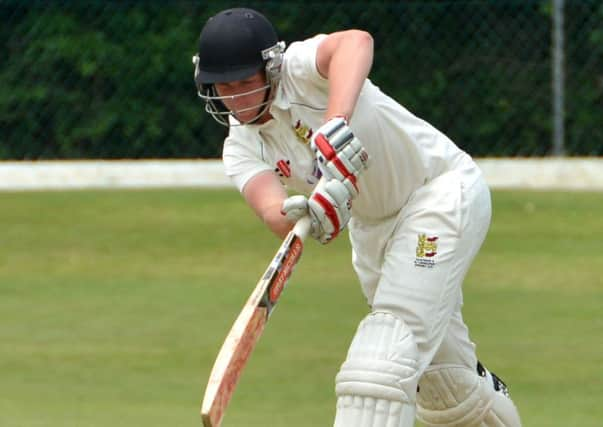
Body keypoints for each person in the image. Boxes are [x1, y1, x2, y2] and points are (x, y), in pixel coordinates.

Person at [192, 7, 522, 427]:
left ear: (270, 68)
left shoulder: (298, 68)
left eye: (243, 83)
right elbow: (275, 212)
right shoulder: (239, 148)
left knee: (379, 367)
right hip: (372, 235)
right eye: (223, 87)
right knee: (444, 387)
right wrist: (308, 211)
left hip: (437, 194)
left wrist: (335, 122)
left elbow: (355, 41)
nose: (234, 98)